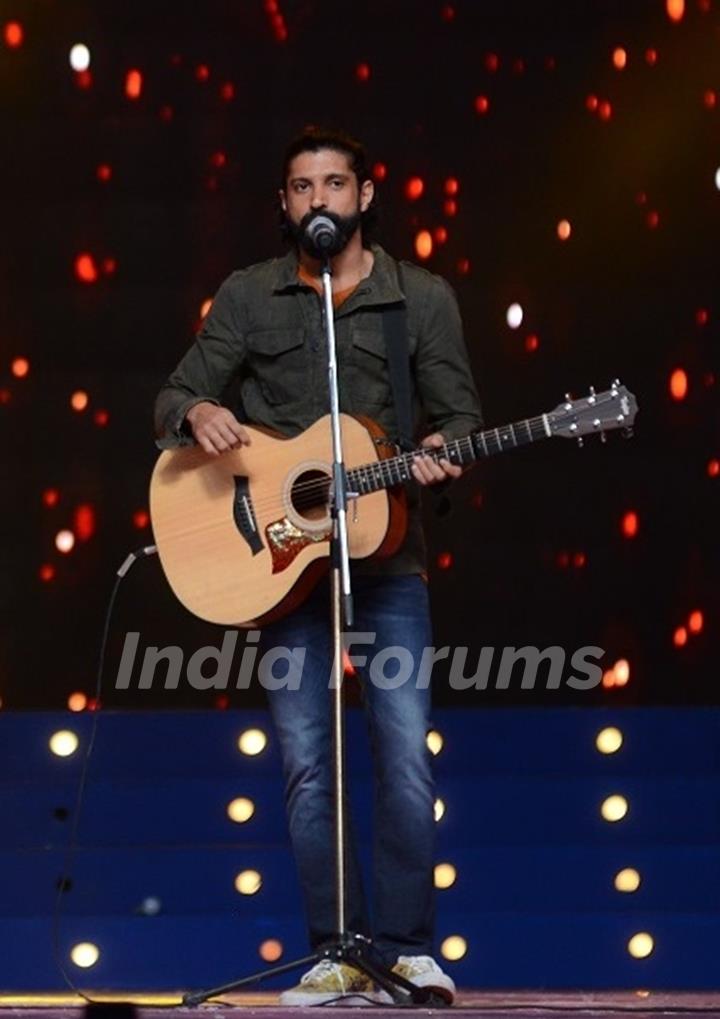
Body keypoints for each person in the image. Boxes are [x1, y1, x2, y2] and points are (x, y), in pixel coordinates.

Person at [155, 127, 483, 1005]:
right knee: (307, 759)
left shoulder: (422, 298)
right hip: (279, 561)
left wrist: (442, 446)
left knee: (405, 751)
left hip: (388, 557)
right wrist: (197, 416)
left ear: (365, 197)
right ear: (286, 203)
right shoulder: (249, 295)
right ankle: (336, 950)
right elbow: (174, 394)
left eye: (335, 184)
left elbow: (455, 411)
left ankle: (407, 947)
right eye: (302, 188)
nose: (319, 201)